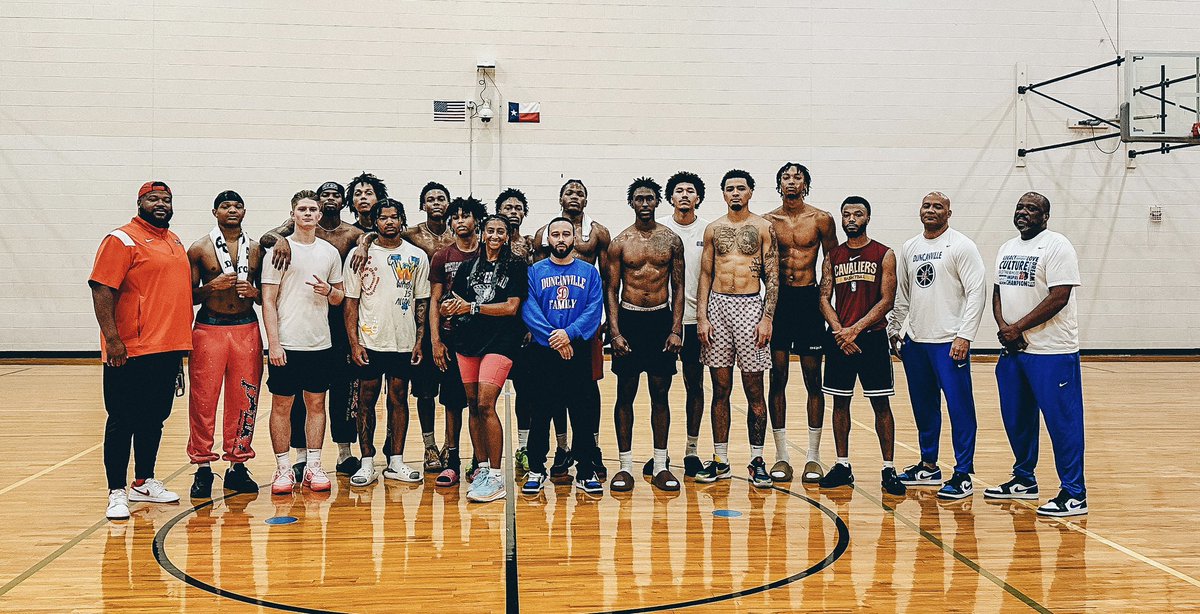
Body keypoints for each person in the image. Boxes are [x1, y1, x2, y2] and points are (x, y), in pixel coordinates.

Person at [89, 181, 193, 520]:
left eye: (166, 199)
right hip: (130, 348)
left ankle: (143, 481)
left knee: (154, 419)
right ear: (139, 202)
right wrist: (113, 338)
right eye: (153, 198)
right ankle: (116, 491)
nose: (160, 203)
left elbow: (175, 293)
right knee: (122, 420)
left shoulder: (174, 240)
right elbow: (102, 289)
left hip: (167, 348)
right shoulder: (121, 239)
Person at [987, 192, 1087, 517]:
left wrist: (1018, 329)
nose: (1024, 213)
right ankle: (1024, 480)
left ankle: (1074, 494)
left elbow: (1059, 296)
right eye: (1020, 207)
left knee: (1063, 424)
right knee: (1017, 420)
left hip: (1052, 352)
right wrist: (1005, 328)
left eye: (1032, 209)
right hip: (1013, 351)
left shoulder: (1058, 246)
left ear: (1045, 217)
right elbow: (999, 291)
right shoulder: (1007, 248)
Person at [260, 179, 366, 479]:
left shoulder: (330, 252)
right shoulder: (278, 251)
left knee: (316, 404)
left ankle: (314, 467)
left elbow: (339, 296)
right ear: (293, 214)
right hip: (287, 343)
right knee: (282, 406)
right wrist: (274, 344)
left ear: (320, 215)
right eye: (302, 209)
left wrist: (328, 291)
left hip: (320, 343)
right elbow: (268, 300)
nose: (308, 214)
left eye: (312, 210)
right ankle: (283, 468)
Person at [887, 192, 986, 500]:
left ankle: (963, 473)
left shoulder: (961, 246)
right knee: (924, 407)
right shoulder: (911, 247)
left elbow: (977, 292)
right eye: (926, 206)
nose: (931, 211)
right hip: (917, 343)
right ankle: (928, 465)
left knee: (960, 408)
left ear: (948, 212)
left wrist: (965, 335)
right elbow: (903, 293)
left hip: (949, 343)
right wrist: (894, 328)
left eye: (937, 207)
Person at [694, 170, 779, 489]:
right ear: (723, 193)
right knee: (720, 388)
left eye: (740, 188)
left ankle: (757, 460)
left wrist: (767, 317)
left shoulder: (763, 227)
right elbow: (704, 274)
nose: (735, 193)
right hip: (718, 306)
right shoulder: (713, 228)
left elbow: (773, 275)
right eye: (729, 188)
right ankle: (720, 459)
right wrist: (702, 317)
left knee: (755, 389)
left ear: (751, 192)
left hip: (749, 306)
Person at [817, 196, 906, 496]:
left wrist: (855, 329)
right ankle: (842, 465)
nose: (851, 218)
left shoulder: (884, 253)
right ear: (841, 220)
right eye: (846, 214)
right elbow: (823, 297)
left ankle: (888, 469)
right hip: (841, 338)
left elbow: (887, 300)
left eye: (858, 214)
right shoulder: (832, 256)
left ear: (867, 218)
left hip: (870, 338)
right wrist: (840, 331)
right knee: (840, 403)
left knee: (881, 404)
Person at [606, 177, 685, 493]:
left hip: (660, 321)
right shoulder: (620, 242)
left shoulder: (671, 240)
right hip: (629, 319)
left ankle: (661, 465)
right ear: (632, 202)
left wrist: (676, 329)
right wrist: (614, 331)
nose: (644, 203)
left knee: (659, 394)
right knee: (625, 394)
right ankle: (625, 467)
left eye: (650, 198)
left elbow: (679, 287)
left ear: (657, 202)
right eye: (639, 198)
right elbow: (611, 288)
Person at [343, 199, 430, 486]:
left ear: (402, 219)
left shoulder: (417, 256)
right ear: (375, 221)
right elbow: (351, 303)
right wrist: (354, 343)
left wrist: (419, 341)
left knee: (399, 399)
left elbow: (422, 302)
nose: (389, 222)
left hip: (403, 342)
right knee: (366, 400)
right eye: (383, 218)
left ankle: (396, 461)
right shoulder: (359, 256)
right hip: (370, 340)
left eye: (395, 217)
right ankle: (367, 461)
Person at [442, 215, 529, 502]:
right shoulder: (468, 267)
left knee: (485, 403)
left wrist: (472, 307)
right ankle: (480, 468)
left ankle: (495, 475)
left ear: (507, 236)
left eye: (500, 231)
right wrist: (449, 308)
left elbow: (511, 307)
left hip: (501, 341)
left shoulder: (516, 266)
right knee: (472, 405)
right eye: (490, 230)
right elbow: (456, 302)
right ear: (482, 233)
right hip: (467, 341)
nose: (494, 235)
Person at [185, 190, 265, 498]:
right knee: (203, 400)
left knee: (245, 398)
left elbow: (268, 293)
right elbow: (188, 297)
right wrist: (211, 287)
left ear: (245, 211)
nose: (232, 210)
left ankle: (237, 465)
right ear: (214, 211)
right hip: (209, 328)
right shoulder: (199, 249)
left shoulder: (257, 249)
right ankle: (203, 467)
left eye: (237, 205)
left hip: (246, 328)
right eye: (225, 206)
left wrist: (255, 294)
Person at [533, 179, 612, 480]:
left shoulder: (598, 233)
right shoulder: (546, 233)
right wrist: (551, 333)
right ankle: (563, 448)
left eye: (580, 192)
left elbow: (606, 280)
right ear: (560, 198)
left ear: (587, 199)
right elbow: (537, 283)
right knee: (553, 392)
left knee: (586, 391)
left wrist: (601, 323)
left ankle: (590, 449)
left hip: (585, 327)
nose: (574, 196)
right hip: (551, 329)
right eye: (569, 192)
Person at [763, 163, 837, 483]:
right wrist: (765, 307)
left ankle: (813, 457)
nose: (791, 181)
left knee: (812, 379)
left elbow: (832, 262)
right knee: (777, 378)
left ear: (806, 184)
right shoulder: (767, 221)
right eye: (786, 177)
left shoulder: (821, 219)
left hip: (808, 301)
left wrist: (824, 301)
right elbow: (761, 266)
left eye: (797, 177)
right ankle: (781, 456)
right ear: (779, 184)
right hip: (779, 303)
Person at [521, 218, 605, 495]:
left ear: (573, 239)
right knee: (542, 410)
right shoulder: (534, 272)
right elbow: (530, 309)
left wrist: (569, 334)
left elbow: (594, 310)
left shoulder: (589, 272)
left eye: (565, 234)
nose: (560, 239)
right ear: (548, 240)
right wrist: (555, 338)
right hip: (545, 350)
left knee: (581, 411)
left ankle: (584, 470)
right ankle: (536, 469)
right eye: (555, 234)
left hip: (576, 348)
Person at [495, 188, 569, 474]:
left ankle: (532, 448)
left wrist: (533, 326)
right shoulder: (490, 242)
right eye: (507, 207)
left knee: (532, 392)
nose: (513, 212)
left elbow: (538, 287)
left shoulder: (531, 245)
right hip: (497, 327)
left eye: (518, 207)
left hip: (529, 328)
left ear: (524, 213)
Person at [400, 181, 458, 474]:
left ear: (448, 204)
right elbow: (377, 235)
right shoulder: (410, 235)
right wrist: (362, 242)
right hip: (420, 321)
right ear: (423, 205)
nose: (436, 203)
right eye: (430, 199)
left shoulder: (458, 234)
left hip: (455, 324)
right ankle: (429, 446)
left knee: (453, 394)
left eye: (441, 198)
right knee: (424, 392)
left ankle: (451, 446)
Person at [657, 171, 710, 478]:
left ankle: (691, 450)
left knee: (695, 385)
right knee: (659, 388)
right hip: (662, 320)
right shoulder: (660, 228)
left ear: (698, 197)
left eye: (691, 190)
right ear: (672, 197)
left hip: (696, 320)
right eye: (680, 190)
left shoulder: (709, 230)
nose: (685, 195)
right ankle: (659, 454)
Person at [427, 196, 483, 487]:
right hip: (451, 339)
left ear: (476, 220)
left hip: (483, 339)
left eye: (466, 216)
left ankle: (479, 458)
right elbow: (435, 300)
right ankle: (452, 460)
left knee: (479, 402)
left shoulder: (487, 254)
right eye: (456, 217)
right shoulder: (443, 256)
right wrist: (436, 341)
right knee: (452, 404)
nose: (461, 221)